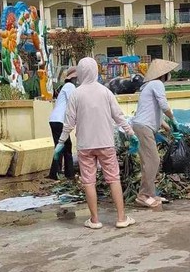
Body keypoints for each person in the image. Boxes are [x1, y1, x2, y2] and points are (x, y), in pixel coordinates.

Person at [54, 57, 137, 229]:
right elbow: (119, 116)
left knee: (89, 182)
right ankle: (121, 218)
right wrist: (131, 133)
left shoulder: (76, 94)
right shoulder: (105, 92)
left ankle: (94, 220)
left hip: (85, 146)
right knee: (114, 179)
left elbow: (69, 122)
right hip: (106, 143)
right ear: (96, 71)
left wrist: (60, 143)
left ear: (81, 73)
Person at [132, 58, 179, 209]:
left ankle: (150, 194)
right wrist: (173, 119)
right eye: (168, 73)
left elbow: (154, 110)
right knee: (153, 161)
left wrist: (167, 127)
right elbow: (163, 104)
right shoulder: (156, 84)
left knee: (149, 162)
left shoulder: (149, 86)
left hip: (142, 126)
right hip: (143, 127)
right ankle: (143, 196)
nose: (169, 75)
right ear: (163, 75)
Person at [48, 67, 77, 180]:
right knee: (62, 147)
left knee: (64, 146)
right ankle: (58, 173)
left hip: (57, 120)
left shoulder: (67, 86)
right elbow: (73, 103)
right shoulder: (70, 86)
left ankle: (66, 173)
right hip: (58, 120)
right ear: (74, 78)